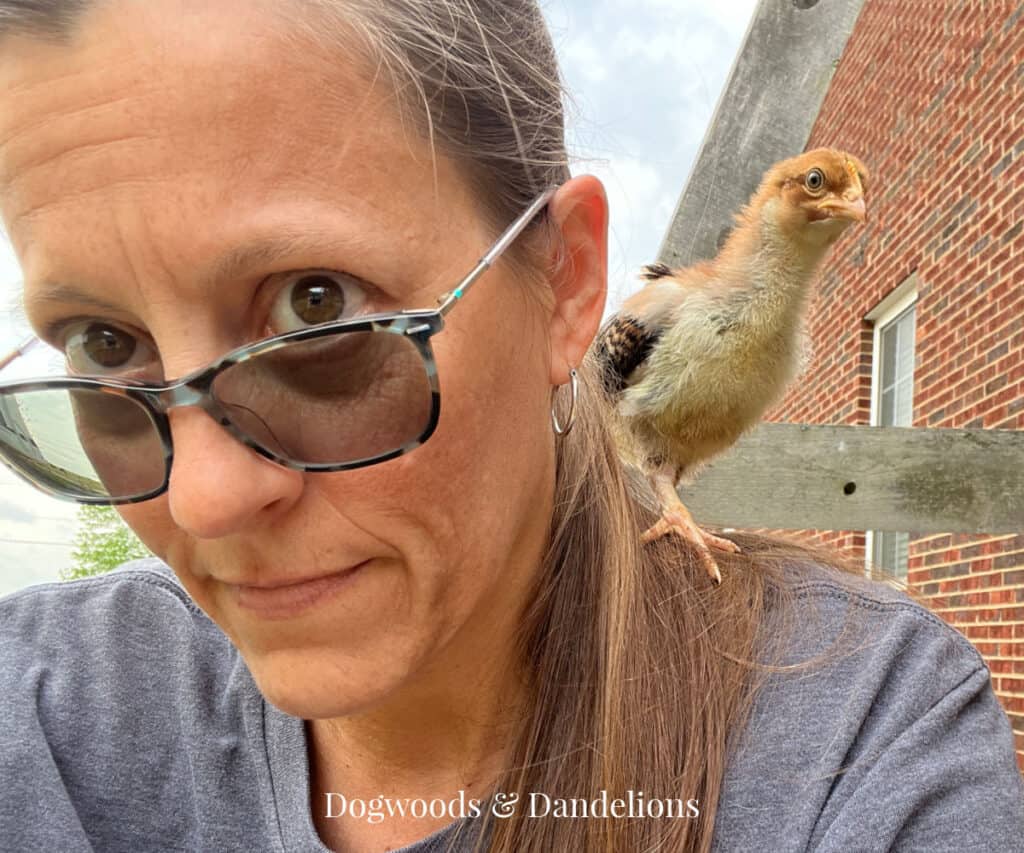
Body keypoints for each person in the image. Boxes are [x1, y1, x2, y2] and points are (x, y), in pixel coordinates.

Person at [0, 2, 1021, 851]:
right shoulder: (42, 708)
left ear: (565, 284)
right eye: (99, 343)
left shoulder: (864, 736)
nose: (205, 500)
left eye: (316, 305)